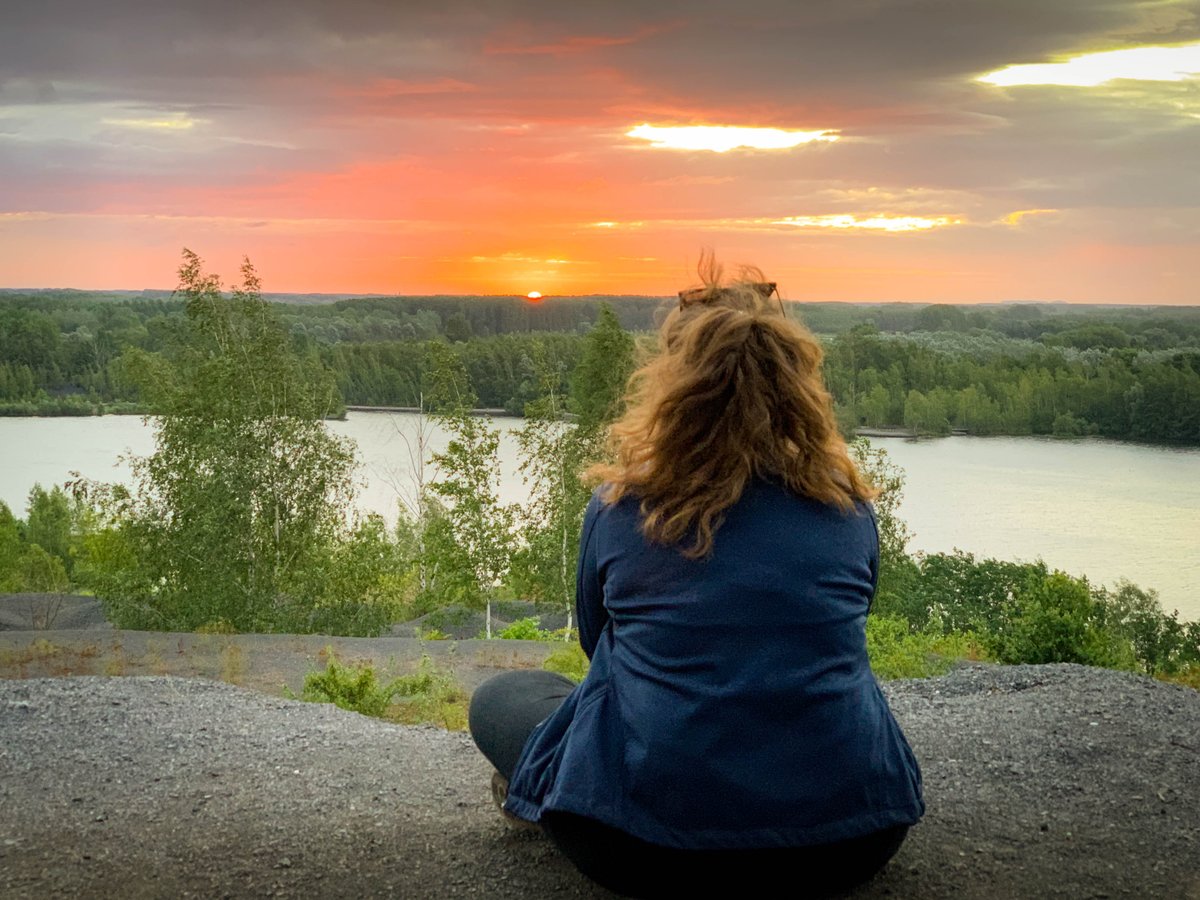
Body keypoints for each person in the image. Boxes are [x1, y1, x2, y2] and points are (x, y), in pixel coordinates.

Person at [469, 261, 924, 898]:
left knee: (504, 699)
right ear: (799, 390)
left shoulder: (621, 508)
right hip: (849, 844)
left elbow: (599, 645)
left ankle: (548, 798)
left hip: (642, 853)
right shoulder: (847, 508)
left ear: (671, 391)